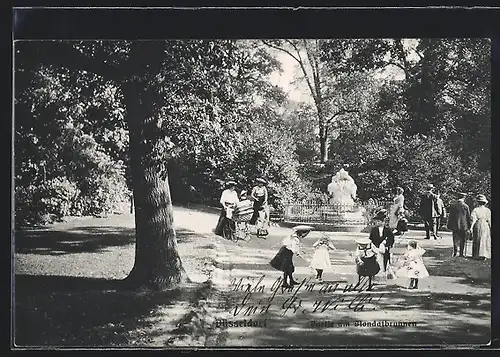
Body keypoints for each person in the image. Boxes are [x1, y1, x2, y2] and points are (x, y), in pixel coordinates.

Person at [446, 192, 471, 257]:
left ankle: (455, 252)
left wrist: (449, 225)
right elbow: (468, 217)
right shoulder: (466, 206)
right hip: (463, 225)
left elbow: (450, 216)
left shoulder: (453, 205)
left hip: (455, 225)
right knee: (462, 239)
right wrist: (469, 226)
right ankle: (461, 253)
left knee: (455, 239)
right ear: (464, 198)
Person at [470, 194, 491, 260]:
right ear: (484, 203)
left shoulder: (475, 210)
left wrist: (471, 227)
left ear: (478, 202)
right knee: (484, 239)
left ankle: (476, 255)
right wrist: (490, 227)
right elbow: (489, 220)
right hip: (485, 225)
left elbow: (473, 220)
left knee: (477, 238)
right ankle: (484, 255)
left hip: (478, 224)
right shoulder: (487, 210)